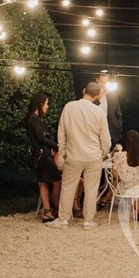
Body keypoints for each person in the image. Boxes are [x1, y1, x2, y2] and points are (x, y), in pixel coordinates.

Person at [50, 81, 111, 229]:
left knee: (68, 188)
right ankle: (88, 221)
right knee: (91, 189)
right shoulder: (99, 112)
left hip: (74, 155)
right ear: (97, 96)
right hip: (93, 156)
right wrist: (103, 153)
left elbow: (61, 132)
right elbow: (106, 139)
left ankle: (63, 219)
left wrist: (63, 153)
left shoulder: (69, 107)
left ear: (84, 90)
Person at [25, 93, 62, 225]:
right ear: (40, 104)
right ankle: (54, 210)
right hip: (43, 157)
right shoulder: (34, 119)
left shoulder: (34, 119)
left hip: (41, 156)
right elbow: (42, 138)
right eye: (47, 103)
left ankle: (48, 211)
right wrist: (57, 146)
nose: (48, 106)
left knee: (44, 183)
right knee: (57, 182)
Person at [110, 129, 139, 219]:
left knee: (127, 185)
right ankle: (138, 210)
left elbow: (115, 175)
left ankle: (138, 211)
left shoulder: (120, 155)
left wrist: (114, 155)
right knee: (132, 184)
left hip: (126, 188)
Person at [95, 70, 124, 148]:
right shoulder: (91, 94)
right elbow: (89, 108)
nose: (103, 85)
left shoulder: (112, 95)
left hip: (111, 131)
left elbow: (118, 113)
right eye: (101, 82)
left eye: (106, 83)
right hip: (96, 129)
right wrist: (100, 95)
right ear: (97, 80)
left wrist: (118, 125)